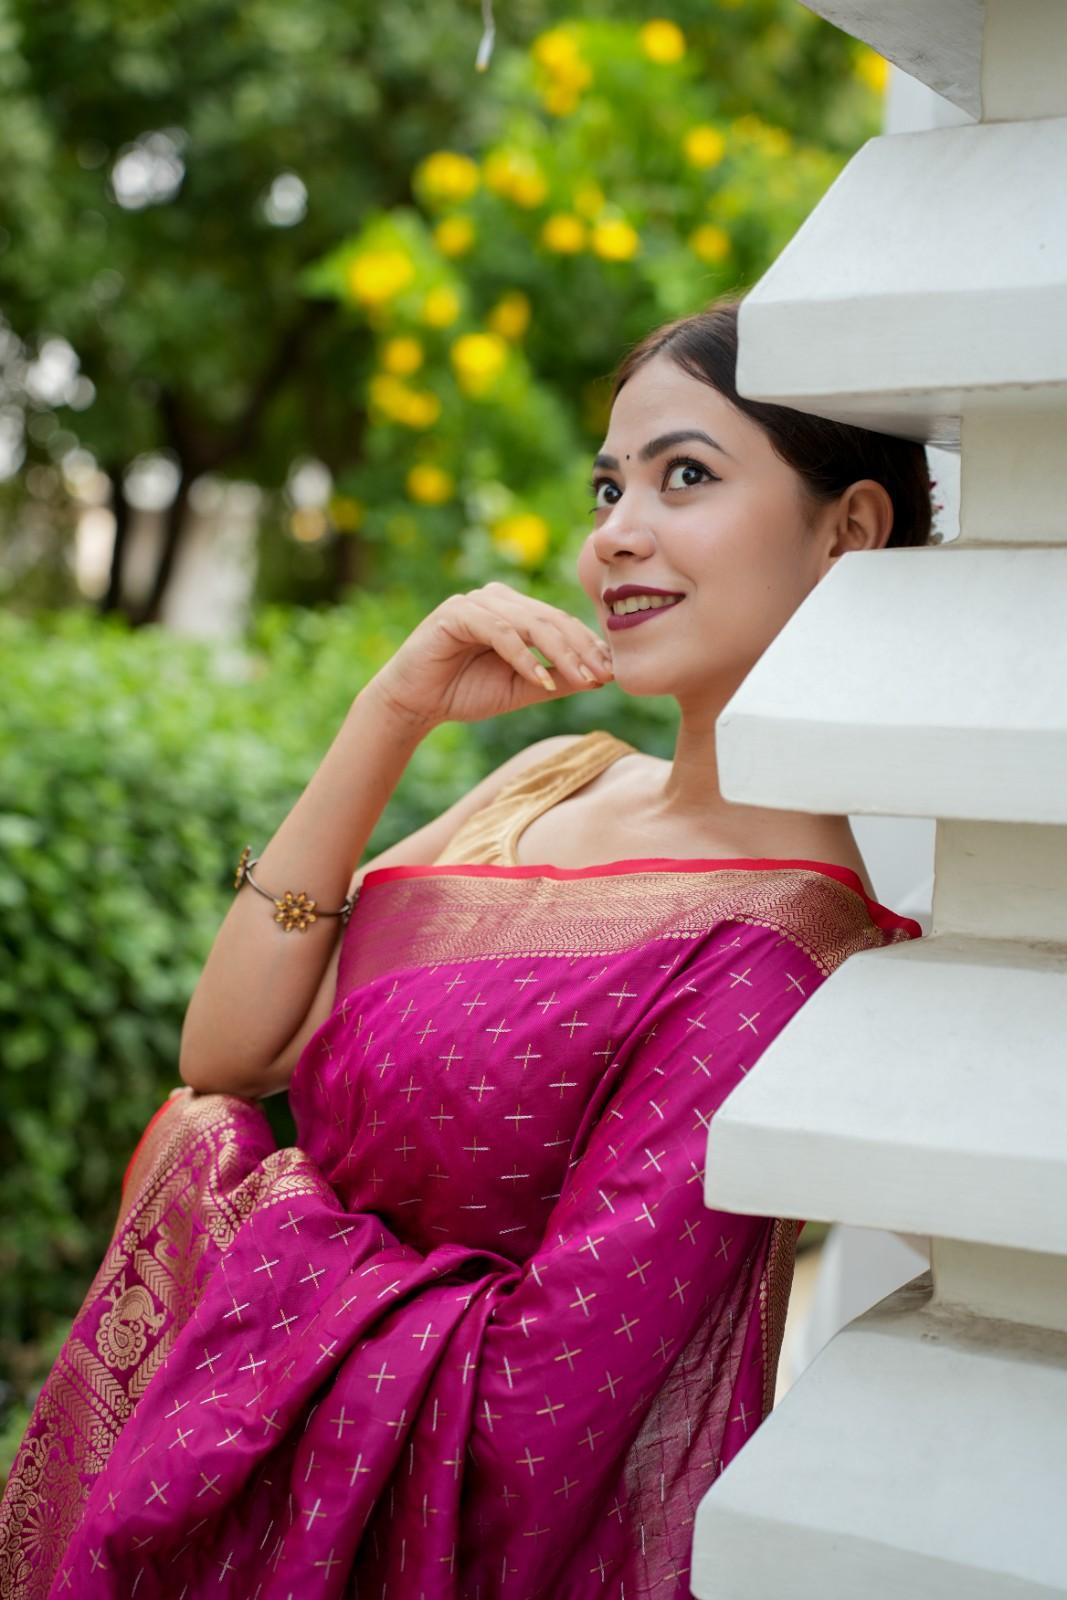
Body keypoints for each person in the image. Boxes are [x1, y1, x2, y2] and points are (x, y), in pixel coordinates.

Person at [0, 295, 926, 1599]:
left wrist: (265, 1219)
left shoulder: (769, 960)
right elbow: (229, 1052)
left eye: (687, 477)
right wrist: (388, 714)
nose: (618, 534)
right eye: (610, 485)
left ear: (851, 531)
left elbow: (526, 1439)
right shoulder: (556, 775)